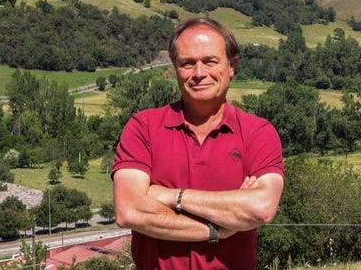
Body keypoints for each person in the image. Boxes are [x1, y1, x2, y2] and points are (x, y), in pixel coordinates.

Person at [112, 17, 284, 270]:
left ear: (232, 65)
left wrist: (170, 196)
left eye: (210, 61)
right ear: (175, 68)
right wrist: (215, 229)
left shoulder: (258, 132)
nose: (199, 73)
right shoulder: (143, 127)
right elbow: (129, 210)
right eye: (187, 63)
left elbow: (260, 209)